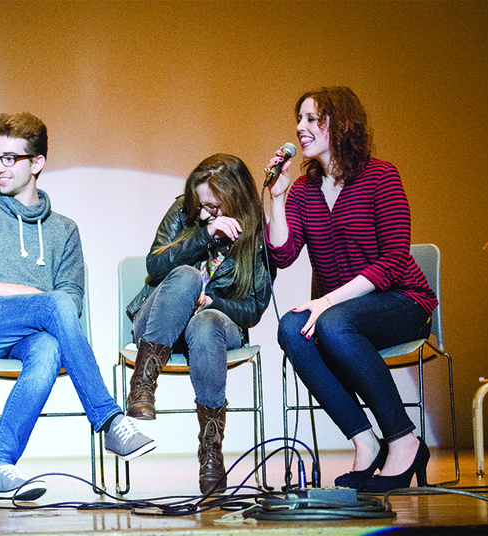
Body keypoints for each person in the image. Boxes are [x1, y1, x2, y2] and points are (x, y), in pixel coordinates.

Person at [0, 112, 155, 501]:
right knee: (53, 305)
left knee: (47, 350)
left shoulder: (64, 229)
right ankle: (110, 419)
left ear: (37, 163)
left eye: (9, 158)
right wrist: (30, 295)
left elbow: (72, 297)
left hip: (30, 336)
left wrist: (42, 305)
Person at [265, 87, 437, 492]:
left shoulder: (381, 176)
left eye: (311, 119)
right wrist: (277, 198)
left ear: (341, 124)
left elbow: (393, 261)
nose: (300, 127)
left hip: (403, 301)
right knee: (290, 328)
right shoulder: (304, 190)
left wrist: (326, 302)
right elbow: (283, 254)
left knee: (333, 323)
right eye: (299, 118)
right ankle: (365, 442)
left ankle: (404, 441)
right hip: (342, 314)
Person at [125, 153, 274, 494]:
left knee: (206, 322)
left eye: (214, 206)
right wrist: (205, 234)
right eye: (201, 205)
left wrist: (213, 303)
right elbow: (155, 265)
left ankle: (211, 451)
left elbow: (253, 309)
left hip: (214, 330)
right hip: (158, 321)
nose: (205, 212)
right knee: (188, 276)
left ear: (235, 198)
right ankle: (143, 386)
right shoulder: (185, 211)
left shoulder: (256, 235)